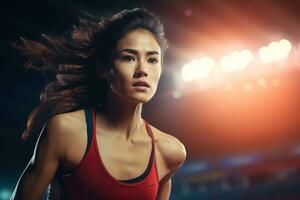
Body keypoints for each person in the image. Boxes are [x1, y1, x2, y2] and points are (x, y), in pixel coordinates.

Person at [10, 8, 186, 200]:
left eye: (152, 60)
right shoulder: (66, 132)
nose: (142, 70)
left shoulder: (169, 152)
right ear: (104, 68)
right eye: (128, 58)